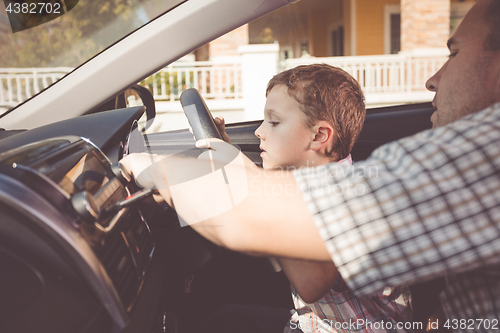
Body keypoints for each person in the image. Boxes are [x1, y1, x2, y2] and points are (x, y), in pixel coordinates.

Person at [121, 0, 500, 330]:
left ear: (320, 137)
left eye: (454, 53)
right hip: (324, 322)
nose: (432, 80)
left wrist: (156, 168)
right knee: (227, 317)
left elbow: (294, 262)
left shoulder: (485, 155)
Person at [204, 64, 412, 333]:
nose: (259, 131)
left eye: (274, 122)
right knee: (228, 319)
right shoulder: (311, 180)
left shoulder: (338, 197)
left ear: (319, 136)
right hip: (316, 322)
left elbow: (310, 284)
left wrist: (232, 170)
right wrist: (235, 162)